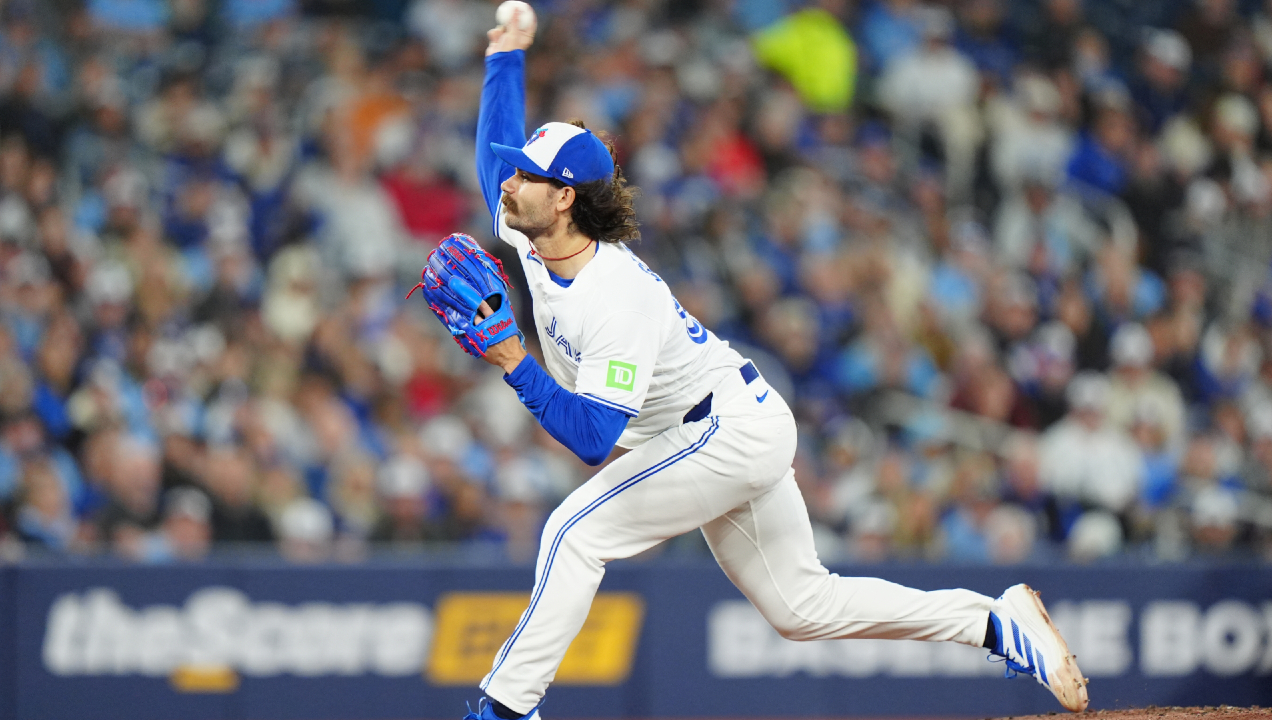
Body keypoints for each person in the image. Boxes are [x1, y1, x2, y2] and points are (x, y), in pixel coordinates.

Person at [456, 7, 1089, 720]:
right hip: (719, 427)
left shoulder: (615, 294)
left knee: (576, 533)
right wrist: (505, 57)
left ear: (565, 199)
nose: (510, 185)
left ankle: (507, 707)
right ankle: (997, 623)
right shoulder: (527, 223)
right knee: (803, 606)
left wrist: (513, 358)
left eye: (529, 179)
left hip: (723, 432)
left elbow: (592, 440)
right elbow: (493, 153)